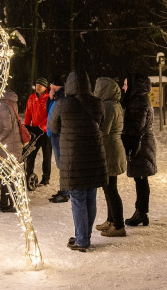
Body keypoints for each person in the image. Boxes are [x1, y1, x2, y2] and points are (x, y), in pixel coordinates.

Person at [48, 70, 107, 252]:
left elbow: (53, 126)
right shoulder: (97, 102)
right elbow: (102, 124)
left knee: (78, 198)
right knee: (90, 196)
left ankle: (82, 239)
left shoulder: (62, 103)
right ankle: (84, 236)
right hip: (94, 155)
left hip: (73, 157)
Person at [122, 73, 157, 227]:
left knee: (141, 178)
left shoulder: (139, 101)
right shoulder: (138, 99)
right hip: (140, 143)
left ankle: (141, 213)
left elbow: (137, 126)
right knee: (140, 179)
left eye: (126, 84)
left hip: (140, 145)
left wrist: (129, 143)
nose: (123, 87)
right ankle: (141, 212)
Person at [93, 77, 126, 237]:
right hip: (113, 148)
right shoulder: (115, 104)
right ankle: (111, 220)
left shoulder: (107, 106)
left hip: (110, 150)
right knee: (109, 187)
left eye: (98, 87)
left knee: (111, 189)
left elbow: (103, 130)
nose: (95, 90)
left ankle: (118, 225)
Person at [0, 88, 22, 213]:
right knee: (5, 172)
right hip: (12, 143)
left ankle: (14, 203)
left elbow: (7, 128)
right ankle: (4, 201)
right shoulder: (10, 101)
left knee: (5, 173)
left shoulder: (3, 105)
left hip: (8, 145)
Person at [24, 77, 51, 187]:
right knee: (30, 154)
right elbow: (28, 113)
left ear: (45, 87)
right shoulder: (31, 98)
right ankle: (29, 174)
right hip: (34, 131)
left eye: (40, 85)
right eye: (37, 84)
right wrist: (26, 126)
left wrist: (42, 126)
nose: (38, 86)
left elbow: (51, 114)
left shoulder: (49, 98)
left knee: (47, 156)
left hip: (46, 131)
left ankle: (46, 178)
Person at [46, 75, 69, 203]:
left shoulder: (62, 97)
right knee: (61, 164)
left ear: (57, 85)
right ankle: (63, 190)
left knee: (63, 164)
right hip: (54, 134)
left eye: (52, 85)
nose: (50, 87)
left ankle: (65, 192)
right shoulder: (57, 97)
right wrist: (50, 98)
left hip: (59, 134)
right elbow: (48, 112)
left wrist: (56, 130)